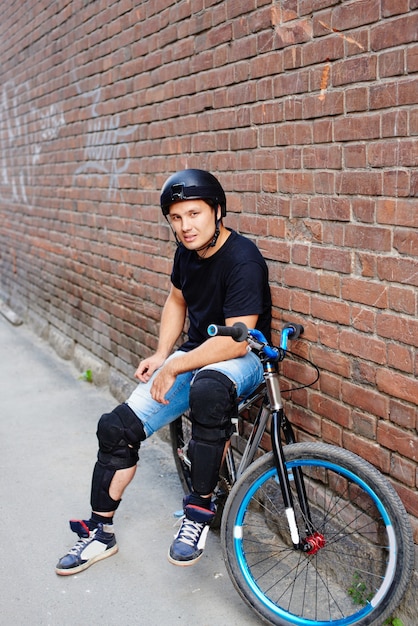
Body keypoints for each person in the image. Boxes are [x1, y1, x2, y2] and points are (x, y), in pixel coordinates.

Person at [56, 168, 272, 575]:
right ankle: (100, 533)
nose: (185, 226)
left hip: (242, 359)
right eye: (176, 218)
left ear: (217, 211)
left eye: (193, 214)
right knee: (115, 428)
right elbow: (176, 300)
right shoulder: (185, 253)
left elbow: (237, 340)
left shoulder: (243, 259)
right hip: (194, 355)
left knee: (208, 389)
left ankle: (198, 512)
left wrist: (175, 365)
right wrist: (162, 353)